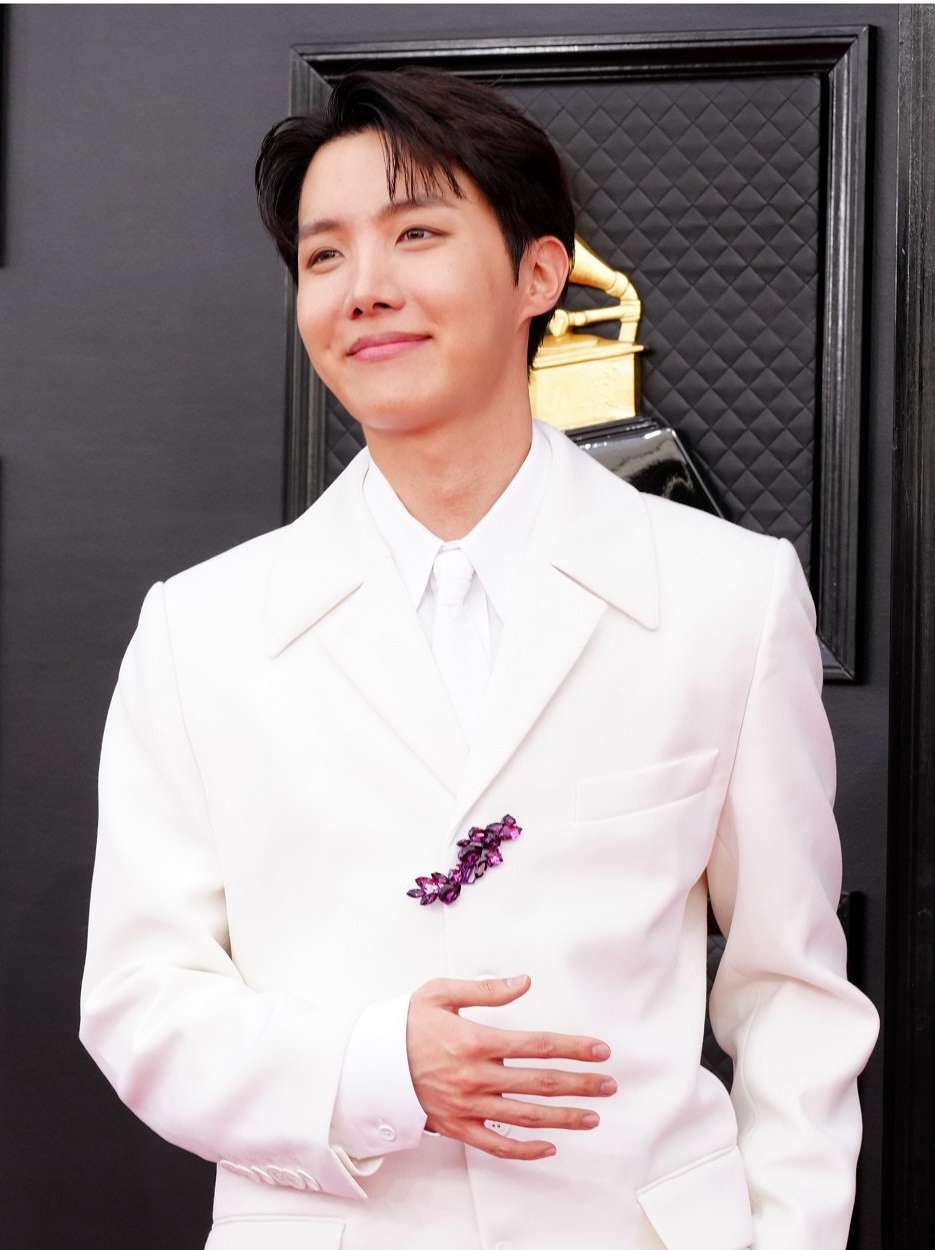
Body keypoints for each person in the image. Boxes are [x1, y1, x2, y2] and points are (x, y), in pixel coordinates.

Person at [78, 67, 876, 1250]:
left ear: (537, 274)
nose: (365, 287)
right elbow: (139, 1004)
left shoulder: (727, 594)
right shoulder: (201, 629)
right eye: (324, 255)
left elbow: (790, 990)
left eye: (415, 234)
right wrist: (373, 1070)